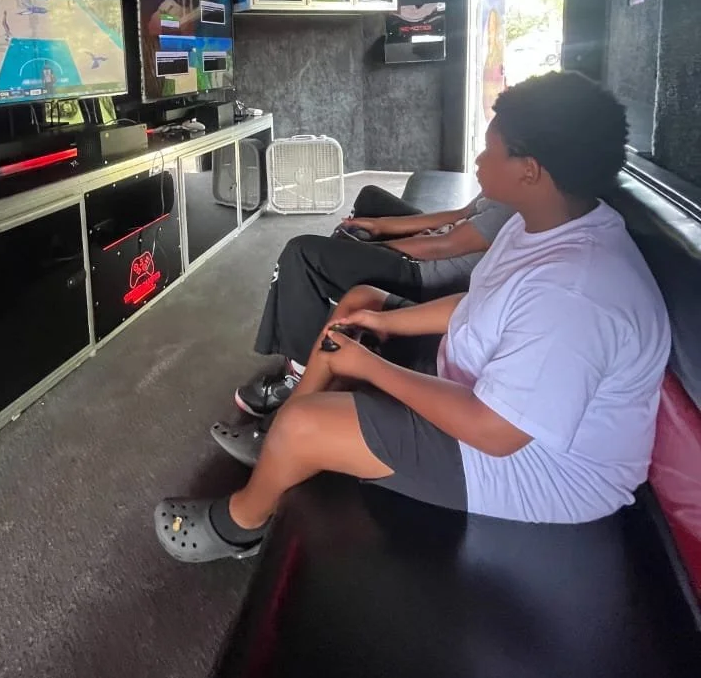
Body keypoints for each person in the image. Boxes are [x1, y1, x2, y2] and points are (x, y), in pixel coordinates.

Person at [154, 72, 671, 562]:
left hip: (535, 471)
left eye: (490, 149)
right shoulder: (540, 223)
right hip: (487, 391)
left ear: (529, 170)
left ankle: (241, 524)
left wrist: (371, 366)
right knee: (360, 302)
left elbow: (494, 431)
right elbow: (479, 305)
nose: (478, 159)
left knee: (305, 425)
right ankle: (278, 441)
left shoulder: (575, 292)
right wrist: (381, 323)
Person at [236, 191, 513, 418]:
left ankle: (300, 372)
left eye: (490, 151)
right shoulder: (503, 184)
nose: (479, 159)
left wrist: (371, 249)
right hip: (436, 245)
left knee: (301, 252)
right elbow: (461, 214)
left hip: (425, 275)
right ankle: (325, 293)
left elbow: (442, 246)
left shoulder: (511, 207)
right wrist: (379, 225)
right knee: (370, 199)